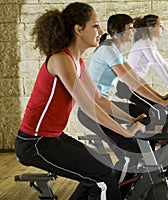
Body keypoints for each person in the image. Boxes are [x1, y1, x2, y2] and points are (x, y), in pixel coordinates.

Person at [13, 3, 145, 200]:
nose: (101, 32)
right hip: (35, 143)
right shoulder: (61, 59)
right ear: (78, 29)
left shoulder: (78, 62)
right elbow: (87, 106)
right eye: (95, 26)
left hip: (53, 137)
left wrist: (131, 119)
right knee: (102, 176)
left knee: (102, 167)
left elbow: (98, 99)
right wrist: (125, 131)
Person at [78, 14, 168, 198]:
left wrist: (160, 98)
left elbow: (137, 78)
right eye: (130, 27)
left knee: (146, 117)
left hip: (102, 104)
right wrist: (160, 102)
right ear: (119, 31)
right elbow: (132, 83)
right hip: (91, 111)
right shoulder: (108, 50)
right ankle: (115, 191)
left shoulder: (116, 50)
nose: (134, 30)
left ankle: (126, 186)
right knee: (132, 152)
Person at [128, 14, 168, 90]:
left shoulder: (150, 44)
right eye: (160, 25)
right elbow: (157, 65)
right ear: (151, 29)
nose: (163, 29)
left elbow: (162, 63)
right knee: (158, 101)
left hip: (135, 83)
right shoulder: (144, 43)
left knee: (161, 100)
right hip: (128, 85)